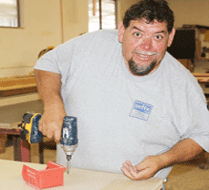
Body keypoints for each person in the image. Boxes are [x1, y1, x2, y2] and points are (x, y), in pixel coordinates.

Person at [34, 0, 209, 183]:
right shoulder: (92, 46)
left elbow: (203, 135)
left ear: (170, 37)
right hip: (71, 181)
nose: (146, 47)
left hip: (137, 186)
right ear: (121, 32)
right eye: (137, 34)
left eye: (157, 37)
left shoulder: (182, 84)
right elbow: (48, 63)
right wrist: (53, 103)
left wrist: (162, 160)